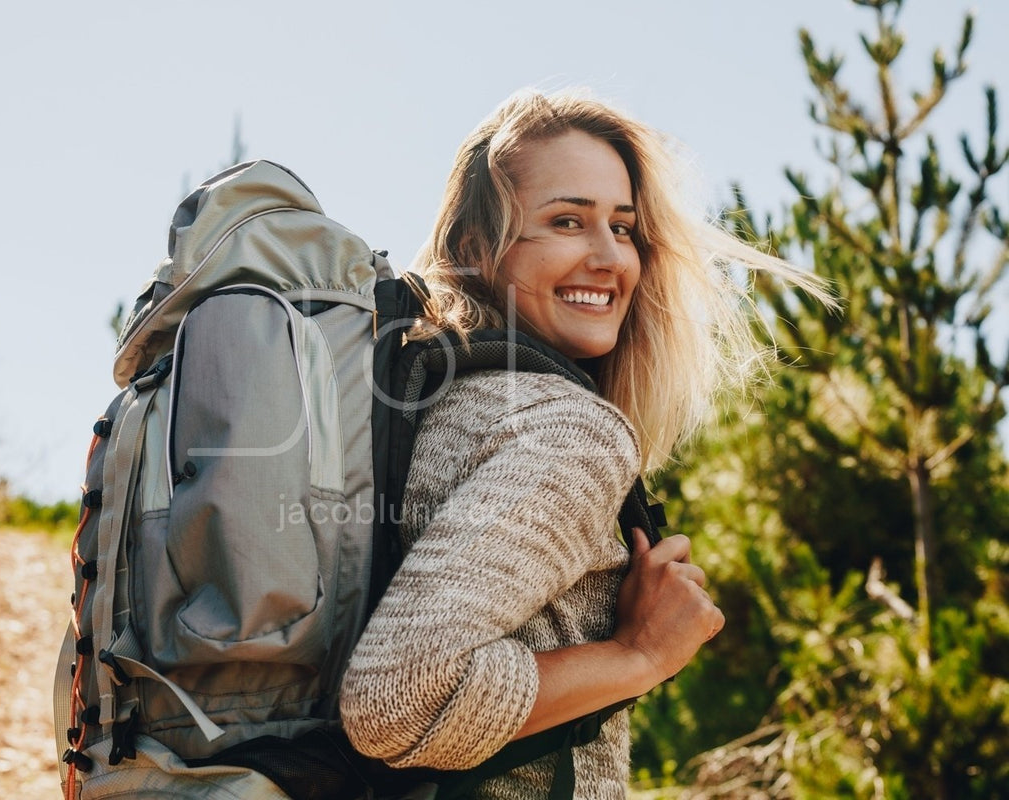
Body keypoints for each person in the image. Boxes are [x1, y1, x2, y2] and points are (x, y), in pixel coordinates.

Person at [338, 88, 828, 799]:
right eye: (567, 221)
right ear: (476, 249)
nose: (610, 258)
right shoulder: (567, 429)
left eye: (624, 228)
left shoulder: (429, 406)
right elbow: (397, 699)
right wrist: (638, 654)